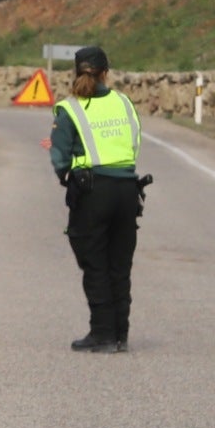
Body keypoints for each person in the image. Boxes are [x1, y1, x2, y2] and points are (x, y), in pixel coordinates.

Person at [48, 46, 143, 352]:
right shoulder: (124, 103)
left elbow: (59, 157)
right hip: (128, 189)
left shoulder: (69, 108)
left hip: (92, 192)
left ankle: (102, 331)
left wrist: (69, 178)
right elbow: (135, 141)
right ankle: (121, 334)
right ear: (106, 72)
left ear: (77, 72)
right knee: (120, 264)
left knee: (94, 263)